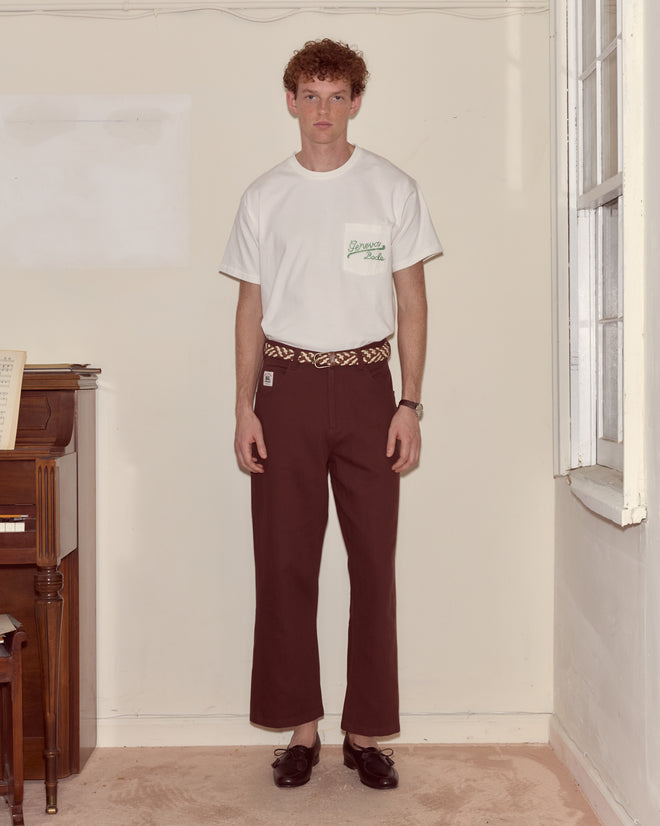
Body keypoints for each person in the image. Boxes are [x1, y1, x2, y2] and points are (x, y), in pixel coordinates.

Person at [220, 38, 442, 790]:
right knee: (285, 565)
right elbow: (249, 308)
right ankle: (302, 730)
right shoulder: (264, 196)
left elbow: (411, 300)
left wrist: (408, 402)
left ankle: (366, 732)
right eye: (309, 95)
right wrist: (244, 407)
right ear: (291, 101)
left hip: (366, 390)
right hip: (284, 388)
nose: (322, 111)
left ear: (356, 102)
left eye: (336, 95)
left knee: (373, 565)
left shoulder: (391, 188)